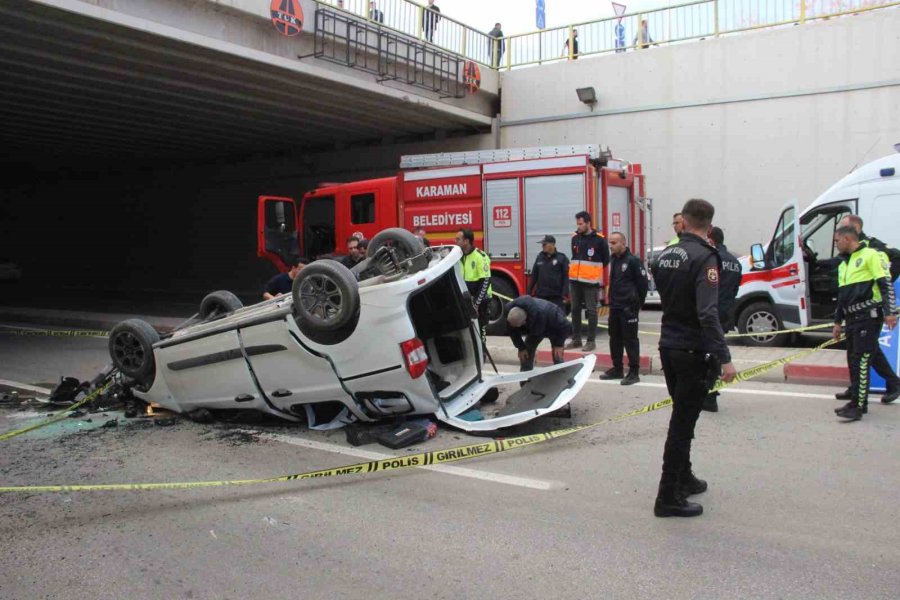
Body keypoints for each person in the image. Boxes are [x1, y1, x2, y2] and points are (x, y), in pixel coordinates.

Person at [651, 198, 737, 518]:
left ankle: (683, 477)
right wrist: (724, 357)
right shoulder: (705, 257)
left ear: (684, 222)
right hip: (691, 350)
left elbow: (666, 293)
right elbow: (708, 313)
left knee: (683, 417)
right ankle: (668, 497)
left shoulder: (665, 255)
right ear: (709, 226)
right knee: (682, 425)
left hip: (668, 346)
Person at [832, 226, 898, 421]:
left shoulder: (872, 255)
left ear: (847, 238)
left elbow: (885, 284)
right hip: (852, 318)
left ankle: (859, 406)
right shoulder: (844, 264)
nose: (836, 244)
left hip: (868, 316)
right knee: (853, 360)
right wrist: (837, 322)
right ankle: (856, 401)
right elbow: (842, 296)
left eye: (837, 240)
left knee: (861, 361)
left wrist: (890, 312)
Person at [702, 226, 743, 412]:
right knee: (716, 354)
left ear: (711, 240)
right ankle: (712, 392)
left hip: (710, 313)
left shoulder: (712, 258)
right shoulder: (736, 262)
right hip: (725, 313)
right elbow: (735, 290)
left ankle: (709, 396)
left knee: (707, 356)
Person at [599, 232, 648, 385]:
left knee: (630, 340)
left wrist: (637, 304)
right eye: (610, 243)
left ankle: (634, 372)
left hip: (628, 308)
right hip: (616, 306)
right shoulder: (614, 259)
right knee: (615, 339)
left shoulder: (633, 261)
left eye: (614, 243)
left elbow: (643, 284)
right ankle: (617, 368)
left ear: (623, 243)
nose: (611, 246)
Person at [566, 211, 610, 353]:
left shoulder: (599, 239)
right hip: (575, 281)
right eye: (577, 224)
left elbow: (606, 260)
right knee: (575, 310)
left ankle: (591, 341)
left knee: (591, 311)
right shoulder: (575, 238)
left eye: (580, 224)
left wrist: (592, 272)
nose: (578, 227)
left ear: (588, 223)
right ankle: (576, 339)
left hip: (590, 282)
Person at [506, 296, 572, 372]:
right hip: (535, 329)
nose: (513, 327)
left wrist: (559, 344)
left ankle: (562, 378)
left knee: (557, 354)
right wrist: (521, 347)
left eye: (516, 326)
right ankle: (525, 378)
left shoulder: (549, 314)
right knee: (526, 353)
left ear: (524, 322)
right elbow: (513, 331)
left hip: (553, 327)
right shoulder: (511, 314)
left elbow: (565, 326)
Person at [456, 228, 492, 343]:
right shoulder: (459, 256)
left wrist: (476, 304)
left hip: (481, 299)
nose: (455, 241)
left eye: (458, 239)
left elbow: (485, 281)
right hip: (467, 298)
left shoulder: (480, 256)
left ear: (466, 241)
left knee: (481, 328)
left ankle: (482, 352)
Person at [529, 235, 569, 312]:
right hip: (541, 296)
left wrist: (565, 294)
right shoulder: (539, 257)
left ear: (552, 245)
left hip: (556, 297)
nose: (542, 247)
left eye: (545, 244)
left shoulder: (562, 258)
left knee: (557, 320)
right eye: (542, 245)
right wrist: (529, 292)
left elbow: (566, 277)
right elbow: (534, 276)